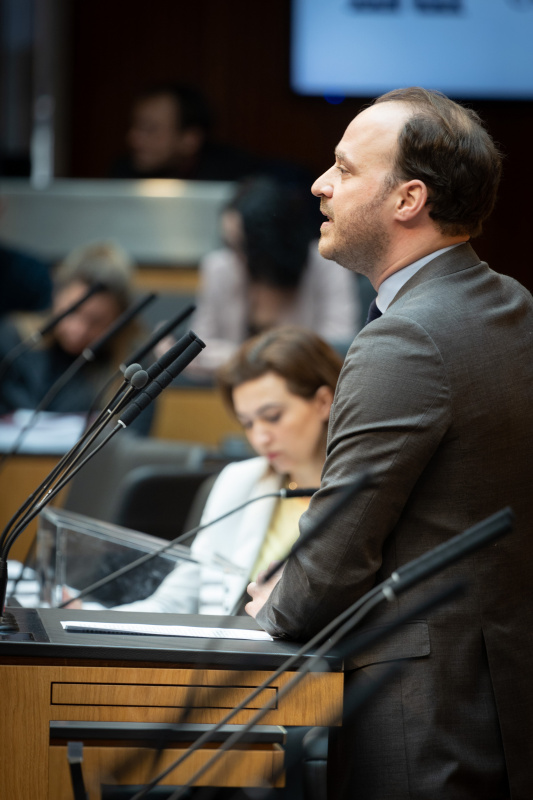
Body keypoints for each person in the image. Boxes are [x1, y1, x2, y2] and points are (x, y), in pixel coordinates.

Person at [246, 88, 533, 798]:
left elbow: (338, 550)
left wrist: (268, 604)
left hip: (420, 712)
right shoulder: (509, 303)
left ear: (407, 200)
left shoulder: (405, 337)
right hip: (497, 690)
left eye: (343, 170)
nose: (319, 184)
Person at [114, 326, 342, 615]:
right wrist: (90, 618)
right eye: (247, 423)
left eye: (272, 417)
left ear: (323, 402)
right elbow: (175, 601)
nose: (260, 437)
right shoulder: (240, 481)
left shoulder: (359, 496)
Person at [189, 177, 360, 374]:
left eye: (243, 246)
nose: (235, 257)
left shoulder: (326, 265)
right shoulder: (220, 266)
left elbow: (336, 350)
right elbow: (199, 349)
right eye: (228, 243)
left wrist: (234, 356)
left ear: (277, 246)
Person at [0, 242, 143, 416]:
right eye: (72, 311)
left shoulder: (133, 368)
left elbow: (133, 435)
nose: (78, 330)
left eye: (96, 321)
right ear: (56, 295)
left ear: (119, 321)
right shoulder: (15, 341)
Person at [110, 82, 260, 181]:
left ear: (190, 140)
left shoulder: (233, 178)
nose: (133, 138)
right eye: (135, 126)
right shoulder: (123, 173)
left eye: (150, 129)